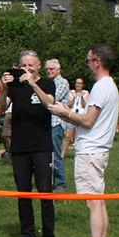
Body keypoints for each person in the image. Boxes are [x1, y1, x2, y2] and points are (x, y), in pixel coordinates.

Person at [49, 44, 118, 237]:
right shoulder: (110, 86)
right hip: (98, 149)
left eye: (89, 60)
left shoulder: (101, 86)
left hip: (91, 150)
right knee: (99, 199)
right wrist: (70, 115)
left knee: (92, 202)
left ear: (98, 61)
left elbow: (88, 121)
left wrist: (65, 113)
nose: (87, 64)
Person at [0, 51, 56, 237]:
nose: (27, 68)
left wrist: (32, 83)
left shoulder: (47, 84)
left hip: (42, 146)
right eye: (23, 65)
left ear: (38, 66)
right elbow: (0, 107)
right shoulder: (15, 87)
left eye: (31, 65)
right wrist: (5, 89)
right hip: (20, 147)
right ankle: (28, 236)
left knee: (45, 193)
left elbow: (49, 104)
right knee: (23, 193)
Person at [44, 59, 70, 193]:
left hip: (56, 122)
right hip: (47, 123)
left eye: (51, 69)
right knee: (47, 155)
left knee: (55, 153)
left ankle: (61, 183)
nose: (49, 71)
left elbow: (53, 99)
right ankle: (49, 181)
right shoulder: (48, 83)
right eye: (47, 69)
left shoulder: (62, 82)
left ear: (58, 69)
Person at [61, 78, 89, 158]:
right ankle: (62, 155)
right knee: (68, 136)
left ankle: (79, 154)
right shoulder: (71, 92)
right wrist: (73, 98)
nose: (78, 85)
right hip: (71, 116)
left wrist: (82, 98)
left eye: (80, 83)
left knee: (80, 136)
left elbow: (85, 106)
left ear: (82, 85)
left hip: (81, 116)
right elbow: (68, 105)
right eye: (77, 83)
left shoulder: (86, 93)